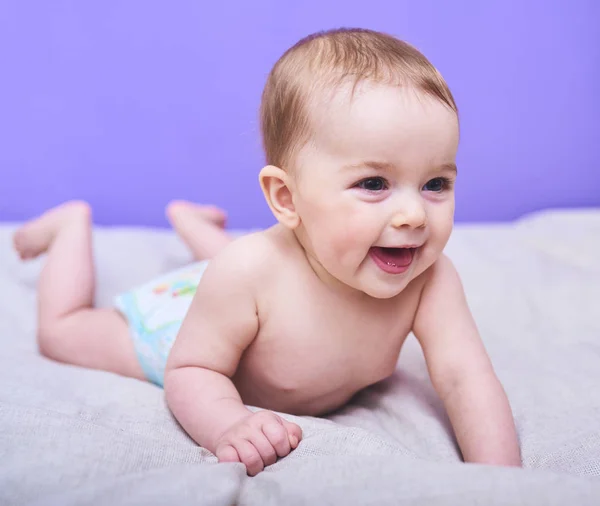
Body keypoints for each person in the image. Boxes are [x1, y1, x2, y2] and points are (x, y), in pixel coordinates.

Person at [14, 28, 521, 476]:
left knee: (278, 263)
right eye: (374, 183)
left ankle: (192, 224)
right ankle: (67, 228)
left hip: (245, 299)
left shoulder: (429, 280)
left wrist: (507, 481)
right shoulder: (250, 268)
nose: (414, 215)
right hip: (183, 328)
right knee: (63, 332)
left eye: (435, 183)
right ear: (286, 198)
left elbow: (464, 377)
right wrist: (229, 422)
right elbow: (191, 371)